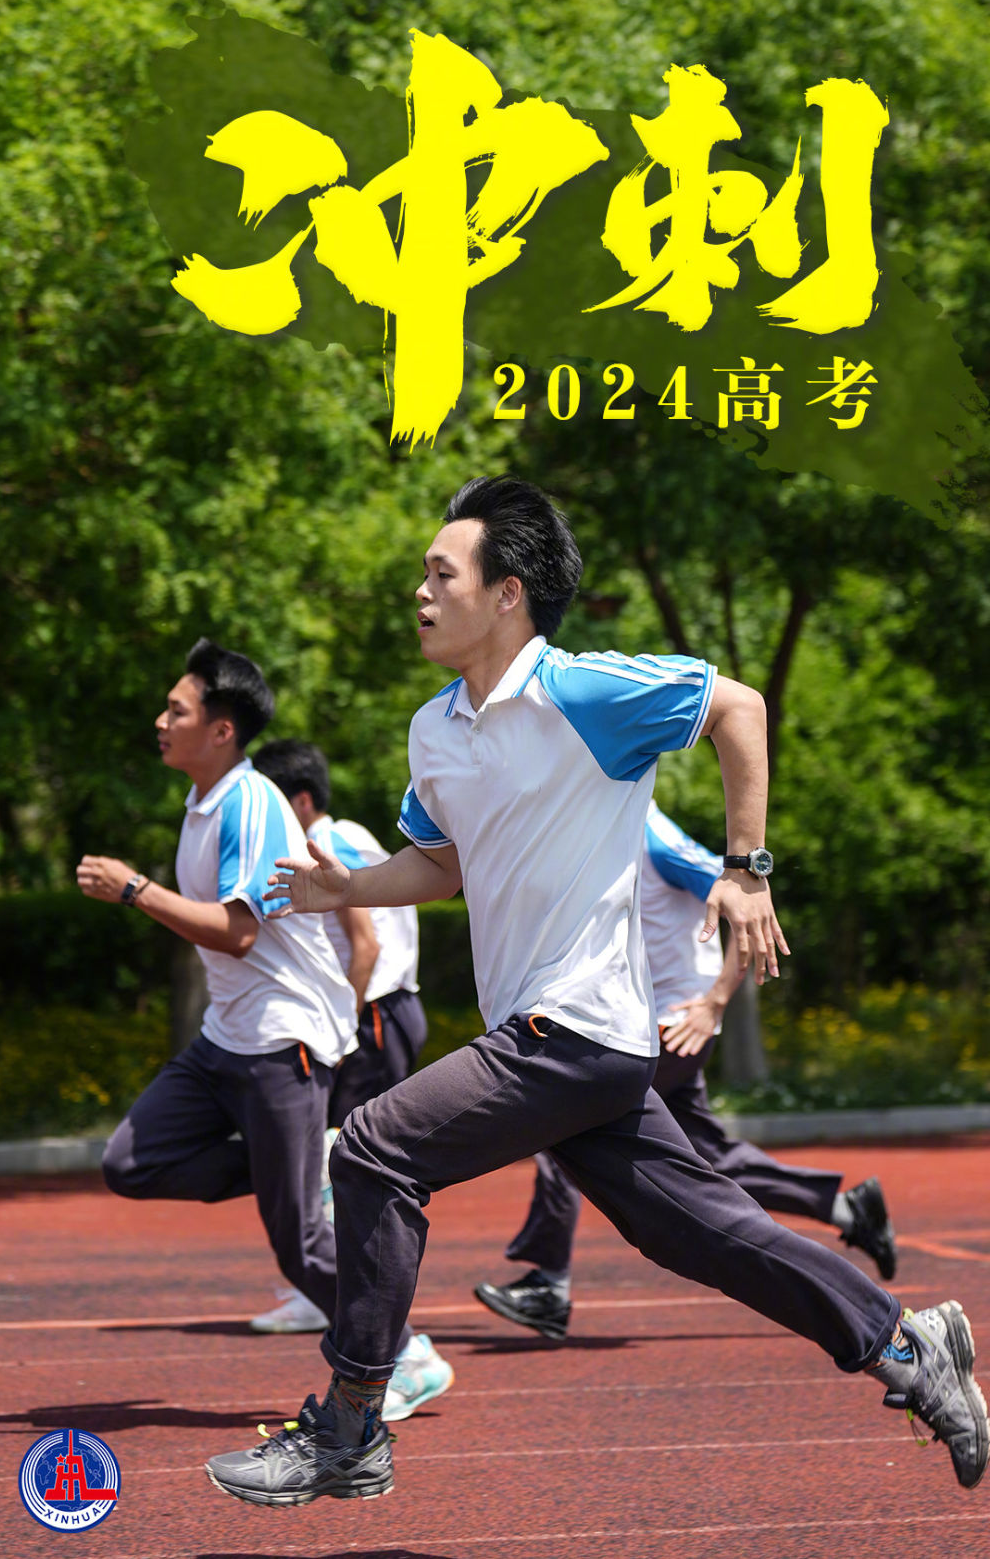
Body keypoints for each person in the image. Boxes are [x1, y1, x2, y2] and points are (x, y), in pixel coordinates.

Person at [204, 479, 987, 1509]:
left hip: (573, 1030)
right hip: (566, 1046)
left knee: (374, 1150)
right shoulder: (435, 731)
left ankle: (350, 1428)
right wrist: (346, 888)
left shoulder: (582, 692)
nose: (420, 593)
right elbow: (440, 865)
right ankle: (910, 1347)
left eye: (441, 574)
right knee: (699, 1231)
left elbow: (738, 707)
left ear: (508, 594)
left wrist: (746, 868)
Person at [77, 638, 447, 1425]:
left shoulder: (249, 802)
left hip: (284, 1041)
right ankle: (301, 1156)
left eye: (176, 709)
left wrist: (135, 889)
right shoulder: (204, 804)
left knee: (301, 1244)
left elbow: (238, 932)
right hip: (227, 1039)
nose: (160, 721)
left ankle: (409, 1351)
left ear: (221, 729)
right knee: (131, 1162)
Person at [475, 801, 897, 1340]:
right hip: (645, 1026)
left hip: (672, 1027)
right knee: (708, 1154)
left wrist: (714, 1002)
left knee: (568, 1127)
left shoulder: (655, 838)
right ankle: (847, 1210)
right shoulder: (601, 828)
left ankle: (548, 1285)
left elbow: (747, 903)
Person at [247, 739, 449, 1423]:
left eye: (273, 802)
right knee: (335, 1168)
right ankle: (330, 1295)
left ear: (301, 800)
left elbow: (365, 946)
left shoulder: (325, 845)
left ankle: (390, 1340)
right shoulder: (354, 834)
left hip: (372, 1018)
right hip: (387, 1013)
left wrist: (335, 1031)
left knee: (348, 1169)